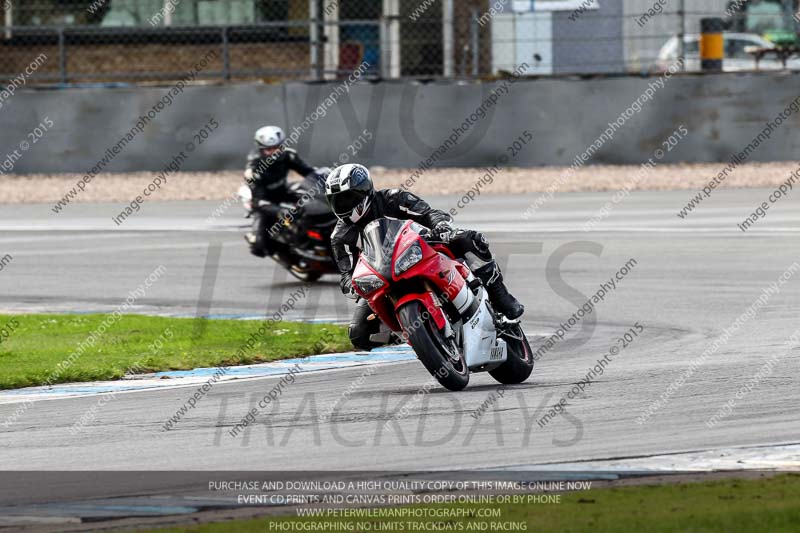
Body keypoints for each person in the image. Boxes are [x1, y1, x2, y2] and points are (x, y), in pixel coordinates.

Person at [324, 163, 524, 351]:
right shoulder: (340, 237)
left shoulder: (393, 198)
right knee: (359, 334)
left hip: (419, 250)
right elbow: (346, 272)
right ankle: (418, 334)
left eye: (347, 199)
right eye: (336, 201)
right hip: (382, 276)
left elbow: (428, 213)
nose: (342, 206)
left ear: (364, 192)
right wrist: (351, 284)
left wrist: (440, 225)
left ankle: (501, 299)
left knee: (470, 239)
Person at [244, 125, 316, 257]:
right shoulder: (254, 167)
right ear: (261, 149)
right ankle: (258, 238)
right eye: (268, 149)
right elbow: (257, 199)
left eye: (276, 148)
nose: (273, 152)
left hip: (283, 191)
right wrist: (278, 210)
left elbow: (309, 172)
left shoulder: (288, 155)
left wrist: (323, 178)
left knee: (310, 202)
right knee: (259, 248)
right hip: (263, 199)